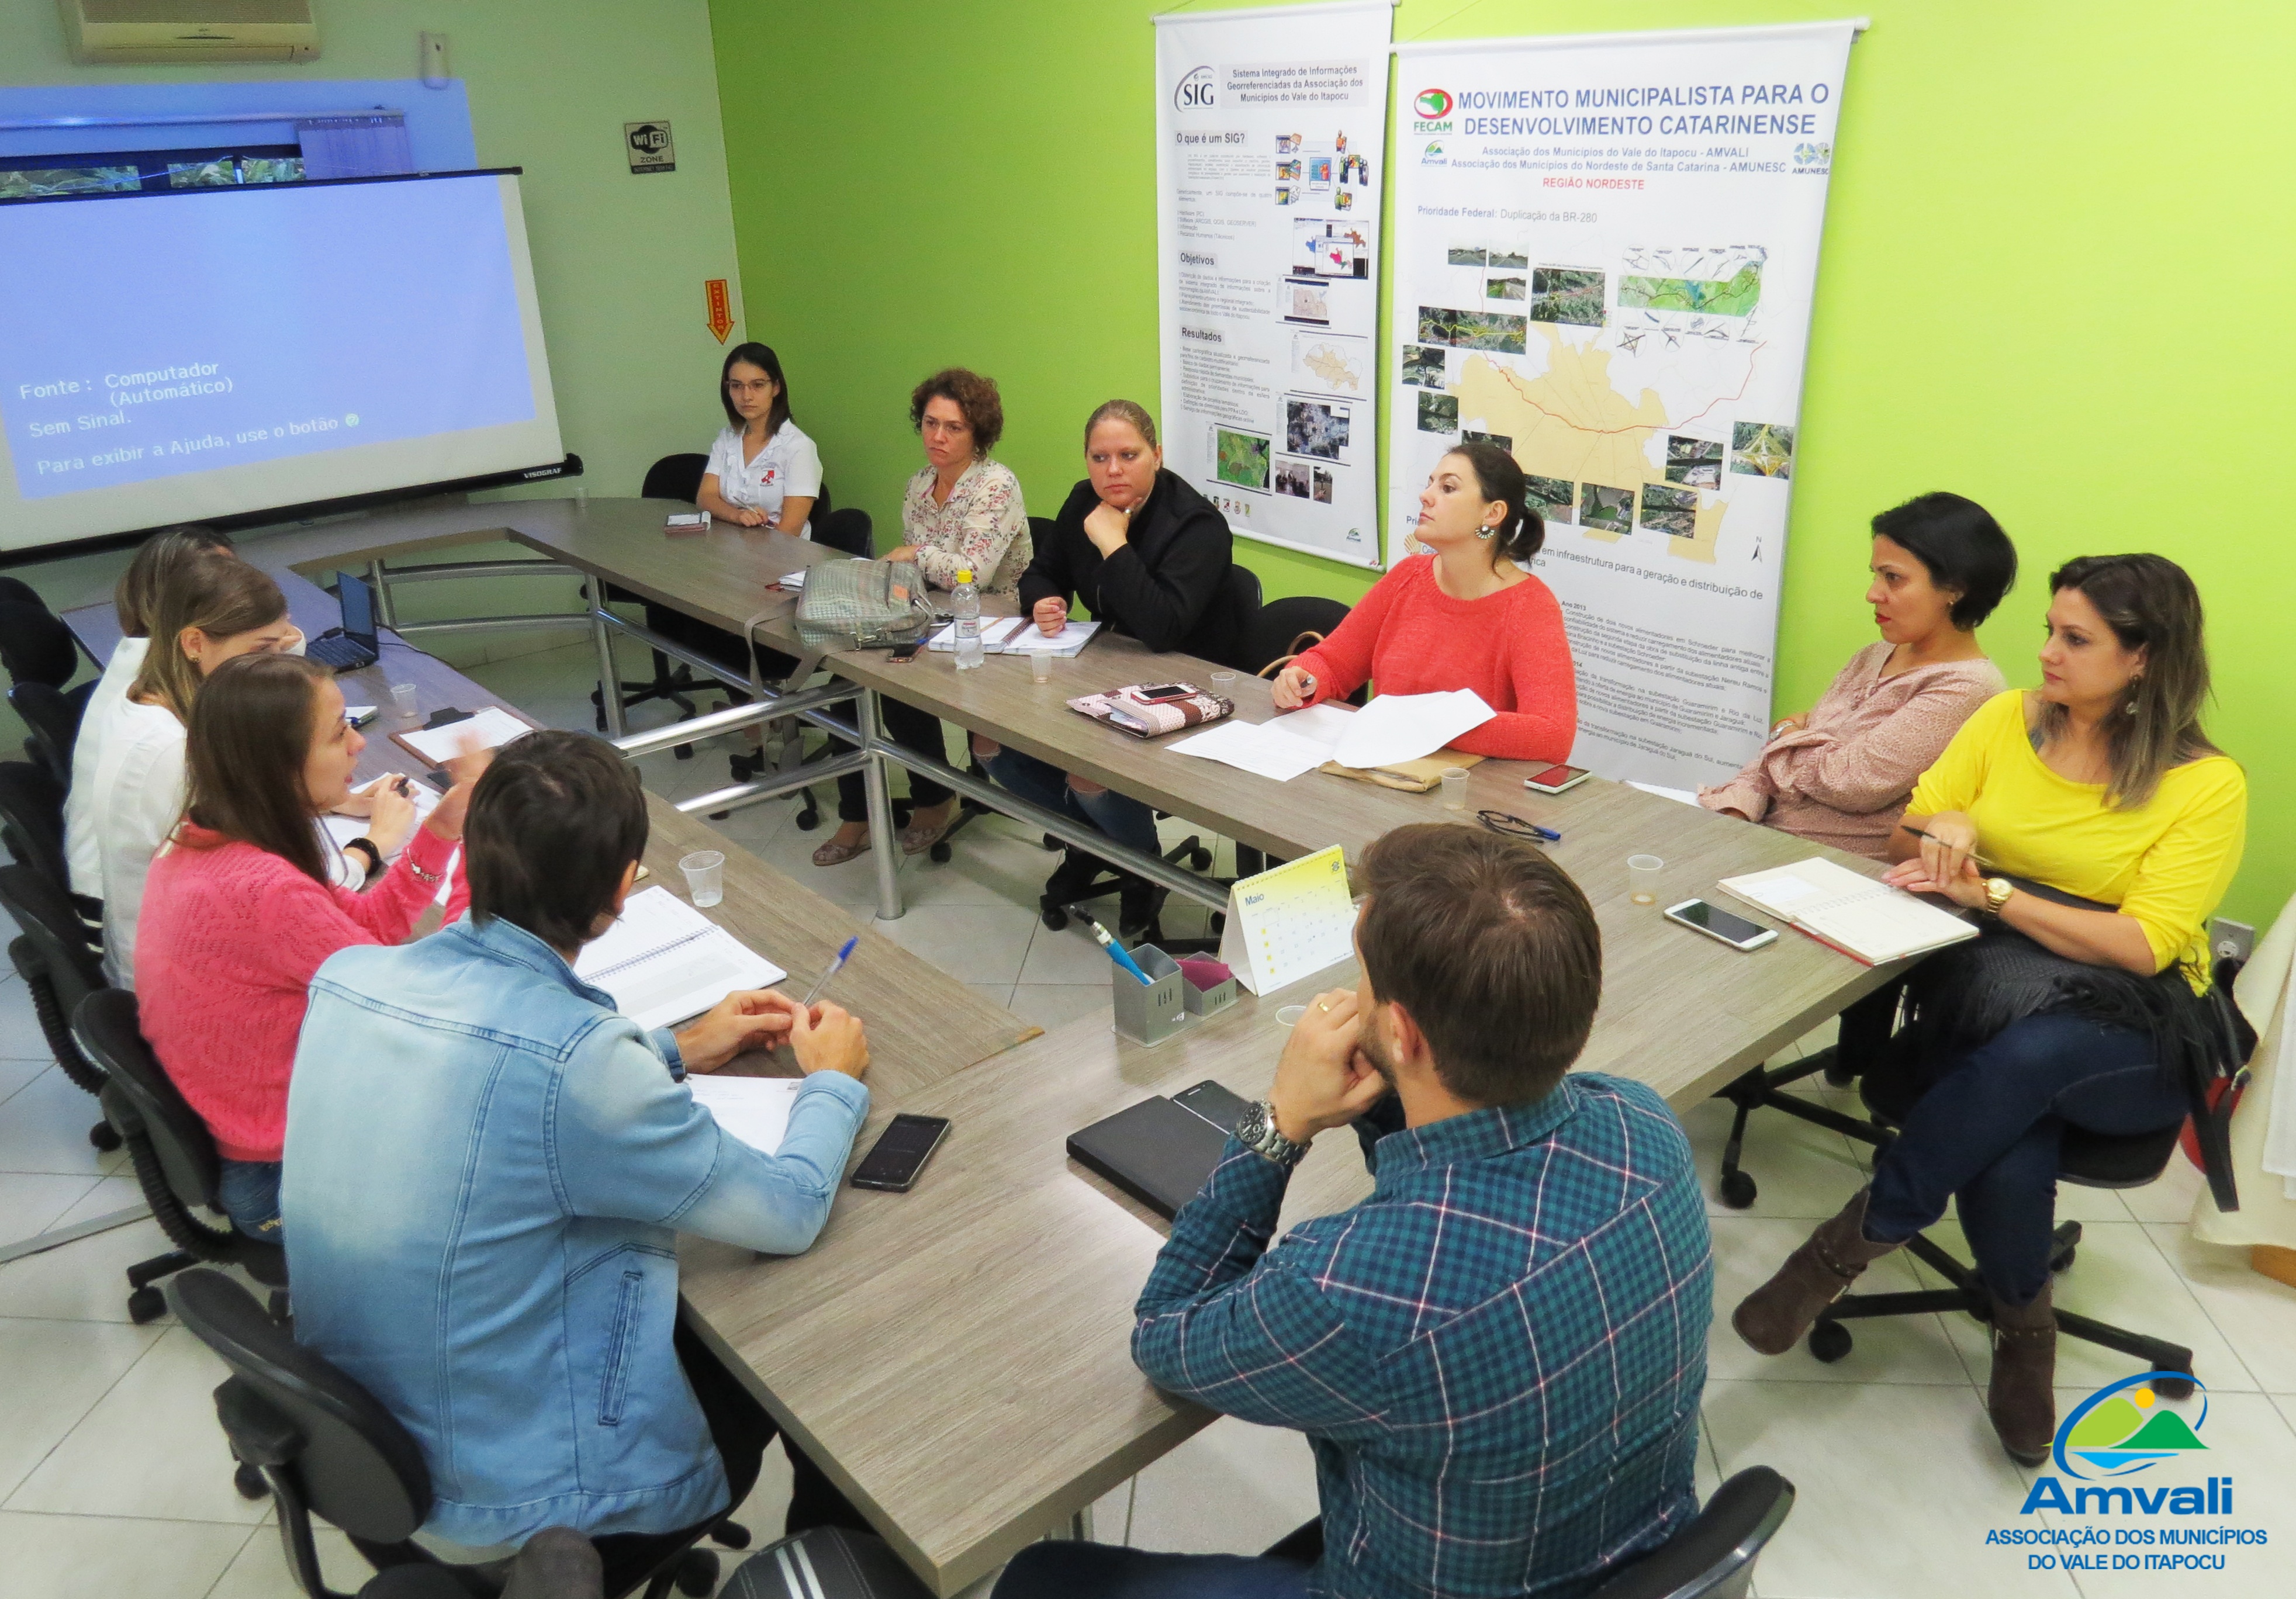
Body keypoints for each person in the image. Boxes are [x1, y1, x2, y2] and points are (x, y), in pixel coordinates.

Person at [996, 824, 1712, 1599]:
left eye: (1362, 981)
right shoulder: (1647, 1126)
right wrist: (1386, 1097)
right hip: (1614, 1554)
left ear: (1402, 1033)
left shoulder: (1346, 1291)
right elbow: (1452, 1182)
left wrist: (1282, 1123)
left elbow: (1167, 1335)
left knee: (1043, 1576)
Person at [282, 730, 874, 1552]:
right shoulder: (580, 1064)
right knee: (829, 1359)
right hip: (515, 1501)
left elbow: (496, 1088)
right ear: (623, 887)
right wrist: (832, 1082)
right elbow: (788, 1211)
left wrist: (674, 1049)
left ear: (476, 856)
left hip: (370, 1444)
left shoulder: (351, 977)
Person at [1732, 554, 2246, 1468]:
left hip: (2133, 1032)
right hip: (1991, 1001)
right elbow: (1908, 832)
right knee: (2011, 1120)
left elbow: (2144, 945)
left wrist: (1995, 891)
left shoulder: (2205, 784)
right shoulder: (2005, 719)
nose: (2045, 652)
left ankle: (1848, 1247)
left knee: (2030, 1064)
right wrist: (1951, 831)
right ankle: (2024, 1329)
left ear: (2144, 660)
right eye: (2050, 628)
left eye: (2075, 639)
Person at [134, 652, 473, 1241]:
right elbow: (429, 1004)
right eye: (339, 733)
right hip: (286, 1181)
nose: (357, 746)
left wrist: (441, 833)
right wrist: (485, 857)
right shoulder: (260, 889)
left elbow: (365, 931)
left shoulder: (213, 841)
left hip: (264, 1146)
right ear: (282, 765)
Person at [973, 400, 1235, 935]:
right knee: (990, 746)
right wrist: (1044, 600)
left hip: (1186, 690)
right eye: (1100, 457)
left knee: (1087, 775)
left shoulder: (1198, 525)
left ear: (1156, 456)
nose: (1112, 470)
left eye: (1128, 455)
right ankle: (1091, 843)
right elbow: (1040, 572)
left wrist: (1113, 542)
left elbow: (1162, 629)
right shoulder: (1081, 500)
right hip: (1101, 671)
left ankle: (1145, 870)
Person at [1701, 492, 2015, 860]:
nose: (1872, 594)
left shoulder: (1968, 688)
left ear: (1954, 590)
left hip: (1832, 868)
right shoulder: (1875, 654)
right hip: (1762, 837)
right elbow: (1775, 765)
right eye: (1876, 575)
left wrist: (1789, 732)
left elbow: (1850, 782)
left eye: (1893, 578)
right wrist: (1736, 809)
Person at [816, 368, 1031, 866]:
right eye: (930, 423)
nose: (937, 436)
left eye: (953, 427)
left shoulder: (996, 484)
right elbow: (927, 573)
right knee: (846, 667)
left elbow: (972, 575)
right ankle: (858, 811)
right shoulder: (918, 485)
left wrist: (913, 553)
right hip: (934, 612)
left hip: (995, 617)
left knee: (898, 673)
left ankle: (934, 797)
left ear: (977, 431)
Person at [1271, 441, 1575, 763]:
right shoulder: (1408, 576)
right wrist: (1302, 680)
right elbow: (1333, 664)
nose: (1426, 495)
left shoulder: (1529, 607)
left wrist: (1430, 726)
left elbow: (1553, 735)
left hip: (1470, 794)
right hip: (1383, 771)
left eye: (1447, 488)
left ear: (1493, 513)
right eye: (1430, 483)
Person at [83, 555, 297, 985]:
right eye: (261, 651)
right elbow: (264, 882)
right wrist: (364, 851)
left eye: (282, 647)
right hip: (182, 983)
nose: (276, 665)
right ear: (195, 643)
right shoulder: (172, 751)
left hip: (173, 951)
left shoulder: (148, 698)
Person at [64, 525, 237, 909]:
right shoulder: (159, 684)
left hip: (116, 884)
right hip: (114, 901)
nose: (237, 591)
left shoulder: (144, 655)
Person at [700, 342, 819, 538]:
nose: (746, 396)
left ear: (776, 388)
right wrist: (739, 516)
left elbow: (790, 530)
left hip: (781, 557)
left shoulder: (799, 447)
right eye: (737, 386)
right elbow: (706, 497)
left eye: (758, 385)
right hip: (731, 548)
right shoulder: (728, 437)